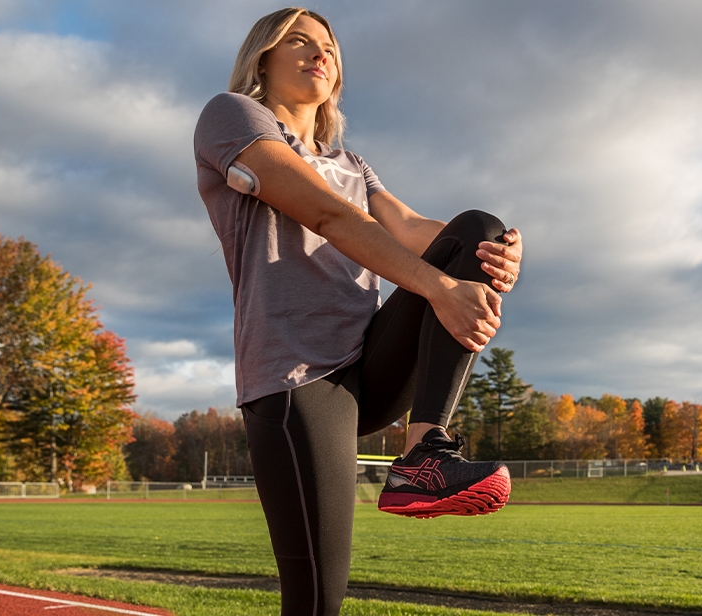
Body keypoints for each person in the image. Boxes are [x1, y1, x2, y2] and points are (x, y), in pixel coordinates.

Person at [192, 7, 523, 614]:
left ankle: (424, 452)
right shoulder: (231, 117)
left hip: (370, 362)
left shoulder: (351, 164)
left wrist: (493, 251)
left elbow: (416, 230)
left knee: (477, 227)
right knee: (318, 600)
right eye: (299, 41)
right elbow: (329, 217)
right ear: (262, 56)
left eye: (330, 47)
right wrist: (441, 289)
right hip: (297, 379)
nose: (320, 53)